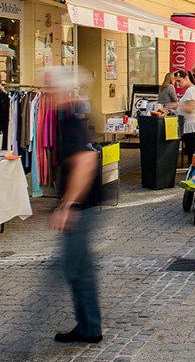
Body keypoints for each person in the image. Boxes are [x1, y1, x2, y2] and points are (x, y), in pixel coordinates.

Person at [50, 93, 103, 344]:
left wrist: (68, 205)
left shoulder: (71, 123)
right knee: (81, 271)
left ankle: (89, 326)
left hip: (80, 209)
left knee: (70, 270)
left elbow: (86, 162)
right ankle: (89, 327)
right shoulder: (72, 120)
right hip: (84, 207)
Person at [174, 70, 195, 165]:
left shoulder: (191, 90)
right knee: (192, 151)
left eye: (179, 81)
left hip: (192, 126)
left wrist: (177, 105)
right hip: (192, 125)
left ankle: (193, 172)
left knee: (192, 152)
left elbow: (190, 108)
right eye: (176, 81)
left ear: (186, 78)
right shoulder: (193, 89)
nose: (177, 84)